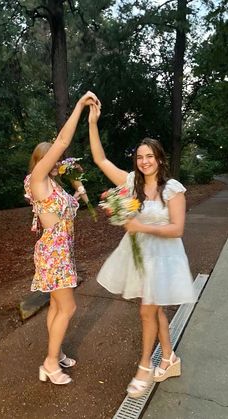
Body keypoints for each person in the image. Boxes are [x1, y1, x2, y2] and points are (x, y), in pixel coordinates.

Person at [88, 102, 196, 398]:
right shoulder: (131, 183)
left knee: (147, 311)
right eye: (140, 156)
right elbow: (100, 159)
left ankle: (145, 365)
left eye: (150, 156)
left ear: (160, 160)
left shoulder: (172, 188)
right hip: (139, 255)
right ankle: (170, 358)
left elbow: (177, 229)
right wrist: (93, 122)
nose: (144, 161)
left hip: (164, 257)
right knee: (154, 307)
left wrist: (140, 227)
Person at [24, 91, 100, 385]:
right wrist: (80, 106)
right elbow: (63, 142)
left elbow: (71, 210)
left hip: (62, 250)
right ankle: (50, 363)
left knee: (57, 307)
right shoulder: (38, 180)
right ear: (41, 161)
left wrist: (79, 187)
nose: (57, 161)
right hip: (52, 252)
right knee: (68, 307)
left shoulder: (54, 185)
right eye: (52, 159)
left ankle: (55, 351)